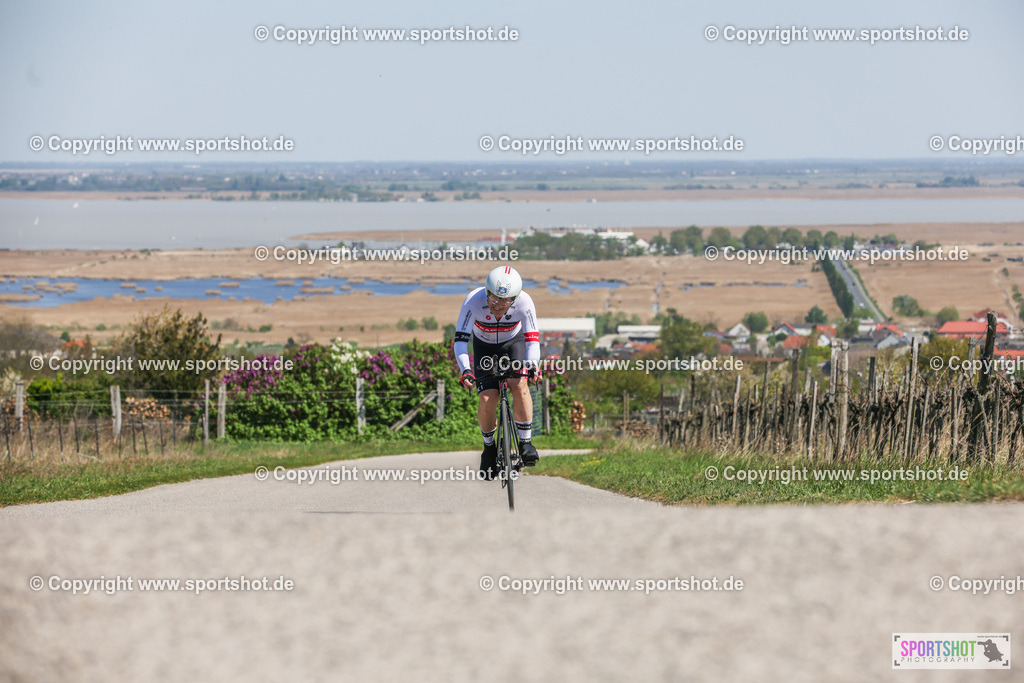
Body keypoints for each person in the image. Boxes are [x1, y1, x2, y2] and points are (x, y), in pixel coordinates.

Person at [453, 265, 542, 479]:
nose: (499, 306)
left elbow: (533, 341)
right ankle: (489, 448)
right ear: (487, 292)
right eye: (494, 299)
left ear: (514, 298)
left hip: (513, 342)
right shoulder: (473, 302)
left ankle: (525, 442)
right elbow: (460, 341)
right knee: (486, 399)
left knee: (520, 385)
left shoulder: (525, 302)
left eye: (505, 301)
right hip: (483, 345)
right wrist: (465, 370)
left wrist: (531, 365)